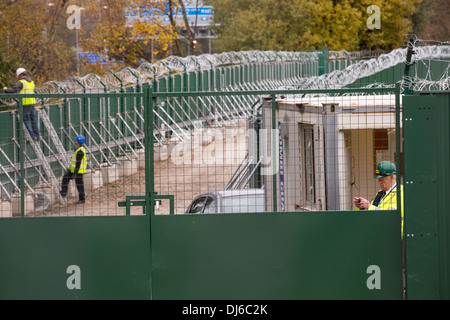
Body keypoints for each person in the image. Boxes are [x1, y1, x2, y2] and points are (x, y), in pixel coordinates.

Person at [353, 161, 404, 237]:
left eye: (382, 178)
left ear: (392, 176)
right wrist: (362, 207)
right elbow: (372, 214)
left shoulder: (401, 193)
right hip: (380, 234)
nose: (379, 182)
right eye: (378, 179)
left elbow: (391, 216)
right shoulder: (380, 194)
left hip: (393, 236)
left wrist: (369, 206)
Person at [3, 68, 41, 141]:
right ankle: (37, 135)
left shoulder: (21, 82)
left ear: (21, 75)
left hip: (25, 104)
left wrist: (6, 90)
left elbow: (14, 89)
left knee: (25, 120)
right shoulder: (31, 82)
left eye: (18, 76)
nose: (18, 78)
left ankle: (32, 136)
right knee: (34, 120)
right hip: (32, 103)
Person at [60, 135, 87, 205]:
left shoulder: (80, 151)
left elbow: (78, 163)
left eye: (76, 140)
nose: (74, 141)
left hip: (78, 171)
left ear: (78, 142)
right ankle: (63, 192)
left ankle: (82, 199)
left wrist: (75, 173)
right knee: (65, 178)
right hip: (74, 170)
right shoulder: (78, 149)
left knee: (79, 184)